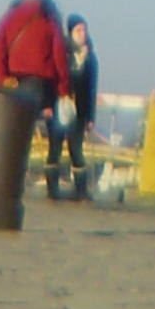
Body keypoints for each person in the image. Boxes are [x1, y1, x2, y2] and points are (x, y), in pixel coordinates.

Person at [0, 0, 69, 225]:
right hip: (39, 83)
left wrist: (1, 77)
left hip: (11, 82)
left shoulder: (9, 17)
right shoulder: (49, 19)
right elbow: (59, 57)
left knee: (10, 136)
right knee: (32, 135)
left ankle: (5, 183)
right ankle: (29, 187)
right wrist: (63, 88)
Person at [46, 11, 99, 199]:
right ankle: (52, 191)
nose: (82, 34)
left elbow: (92, 89)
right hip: (58, 106)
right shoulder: (61, 53)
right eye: (78, 30)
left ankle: (81, 191)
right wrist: (47, 106)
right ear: (70, 32)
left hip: (79, 110)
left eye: (84, 30)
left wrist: (90, 117)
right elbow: (51, 80)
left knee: (76, 150)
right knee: (54, 148)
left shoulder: (91, 58)